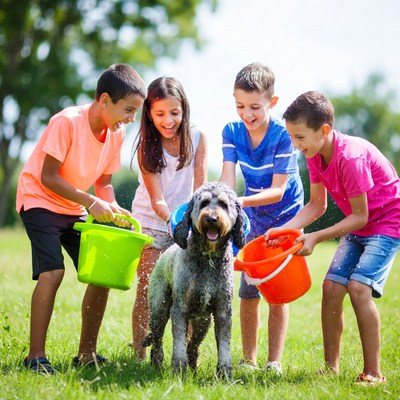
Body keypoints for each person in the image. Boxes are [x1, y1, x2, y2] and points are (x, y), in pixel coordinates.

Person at [16, 64, 147, 374]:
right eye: (128, 110)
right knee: (53, 272)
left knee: (102, 273)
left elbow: (103, 183)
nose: (131, 118)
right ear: (104, 100)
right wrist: (90, 202)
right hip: (39, 201)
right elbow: (48, 177)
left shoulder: (117, 132)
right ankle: (36, 357)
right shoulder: (67, 122)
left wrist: (112, 207)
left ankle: (86, 353)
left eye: (135, 112)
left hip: (73, 207)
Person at [266, 90, 400, 384]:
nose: (295, 144)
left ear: (324, 130)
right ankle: (331, 367)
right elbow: (317, 205)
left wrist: (313, 238)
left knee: (358, 288)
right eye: (292, 137)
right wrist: (287, 228)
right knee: (331, 287)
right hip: (358, 224)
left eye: (299, 137)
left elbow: (361, 216)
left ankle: (374, 373)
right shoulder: (314, 154)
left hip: (386, 223)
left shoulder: (349, 157)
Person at [219, 62, 304, 374]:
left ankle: (273, 362)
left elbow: (279, 190)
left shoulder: (283, 137)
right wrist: (225, 203)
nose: (247, 114)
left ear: (272, 102)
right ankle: (249, 360)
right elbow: (228, 179)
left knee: (277, 290)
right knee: (249, 288)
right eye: (240, 105)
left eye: (255, 106)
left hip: (285, 215)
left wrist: (235, 201)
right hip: (253, 215)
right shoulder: (231, 132)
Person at [130, 76, 207, 361]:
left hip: (187, 225)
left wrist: (193, 223)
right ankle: (140, 355)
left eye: (175, 113)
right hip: (152, 222)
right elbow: (157, 199)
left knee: (186, 291)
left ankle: (184, 354)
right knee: (149, 288)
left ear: (184, 110)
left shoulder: (197, 138)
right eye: (160, 113)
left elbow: (200, 188)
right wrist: (175, 222)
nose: (168, 120)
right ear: (149, 113)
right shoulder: (145, 145)